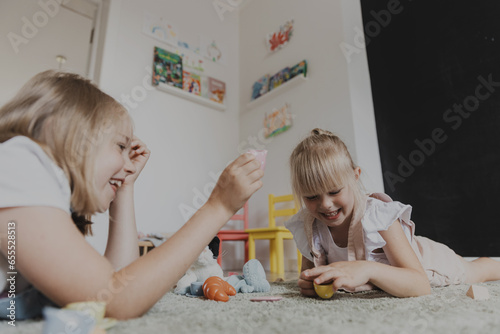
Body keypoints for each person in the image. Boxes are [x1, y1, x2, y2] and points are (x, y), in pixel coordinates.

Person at [0, 70, 264, 319]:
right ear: (64, 132)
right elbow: (114, 300)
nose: (129, 164)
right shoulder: (18, 163)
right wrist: (218, 206)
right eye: (120, 146)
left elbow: (116, 280)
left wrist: (125, 187)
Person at [285, 128, 500, 298]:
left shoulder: (376, 215)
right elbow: (310, 272)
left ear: (355, 176)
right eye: (311, 197)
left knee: (477, 270)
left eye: (334, 191)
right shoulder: (309, 224)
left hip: (431, 263)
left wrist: (367, 269)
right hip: (407, 256)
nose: (326, 205)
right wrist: (308, 283)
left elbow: (420, 284)